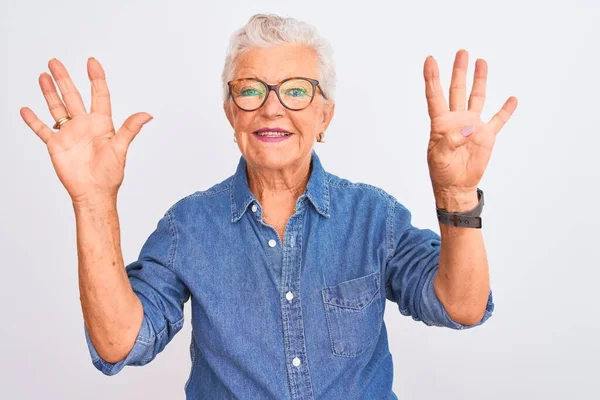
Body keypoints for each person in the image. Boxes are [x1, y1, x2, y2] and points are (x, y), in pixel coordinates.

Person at [20, 13, 517, 400]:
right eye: (251, 90)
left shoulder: (374, 217)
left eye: (297, 91)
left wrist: (456, 198)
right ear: (230, 112)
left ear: (325, 116)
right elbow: (118, 342)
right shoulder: (187, 227)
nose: (272, 107)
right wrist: (93, 201)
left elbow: (463, 306)